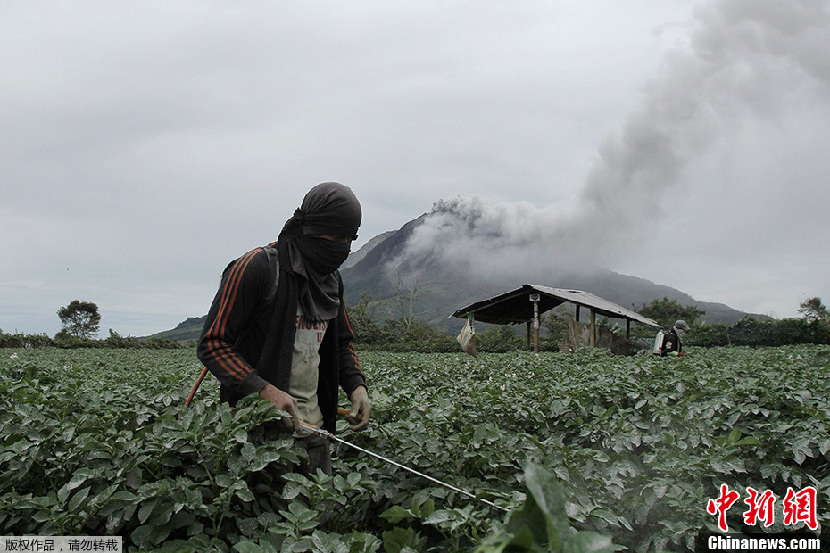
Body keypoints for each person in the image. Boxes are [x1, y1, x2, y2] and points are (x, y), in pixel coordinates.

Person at [197, 182, 370, 476]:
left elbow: (340, 344)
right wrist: (264, 390)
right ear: (311, 228)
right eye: (334, 237)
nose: (342, 248)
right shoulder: (257, 268)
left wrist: (356, 386)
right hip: (255, 435)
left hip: (314, 429)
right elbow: (213, 344)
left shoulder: (331, 281)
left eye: (349, 239)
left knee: (316, 513)